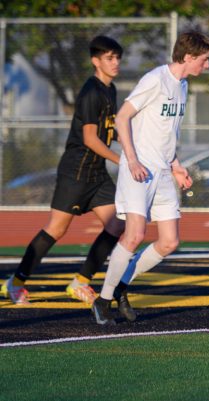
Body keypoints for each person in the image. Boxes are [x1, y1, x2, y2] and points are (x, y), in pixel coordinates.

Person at [90, 31, 209, 325]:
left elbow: (166, 134)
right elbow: (122, 118)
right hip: (139, 169)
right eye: (204, 59)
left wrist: (176, 166)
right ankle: (103, 300)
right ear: (188, 57)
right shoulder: (155, 79)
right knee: (134, 235)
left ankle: (120, 286)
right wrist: (132, 160)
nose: (207, 65)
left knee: (169, 242)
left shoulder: (182, 85)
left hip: (162, 170)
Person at [1, 36, 125, 306]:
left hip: (97, 173)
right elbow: (90, 138)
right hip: (76, 172)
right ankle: (16, 282)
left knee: (117, 224)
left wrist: (132, 143)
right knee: (56, 229)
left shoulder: (111, 89)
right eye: (109, 58)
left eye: (117, 57)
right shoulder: (91, 92)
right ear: (95, 61)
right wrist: (123, 160)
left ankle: (80, 282)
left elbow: (109, 130)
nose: (115, 62)